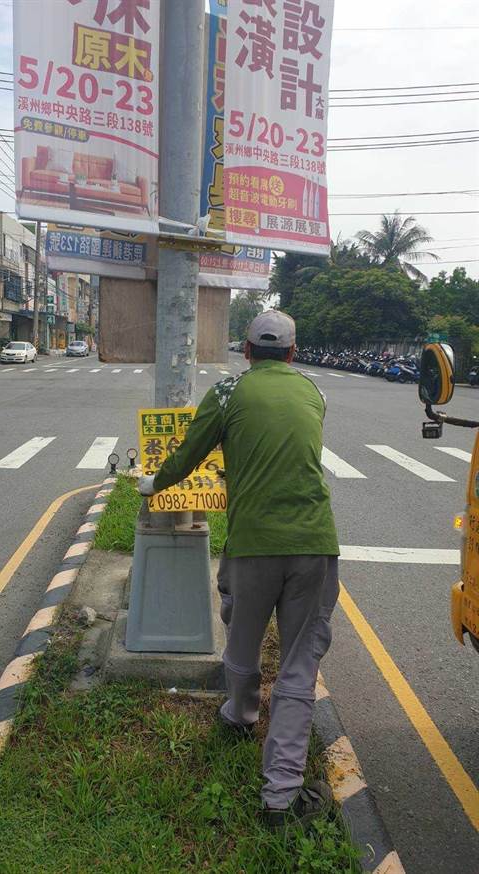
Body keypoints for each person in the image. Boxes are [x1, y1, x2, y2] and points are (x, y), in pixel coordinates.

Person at [138, 310, 340, 829]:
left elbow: (187, 455)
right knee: (298, 665)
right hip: (314, 544)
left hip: (252, 547)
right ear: (293, 354)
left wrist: (153, 484)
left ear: (246, 351)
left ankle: (239, 717)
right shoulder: (315, 393)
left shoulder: (227, 394)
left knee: (243, 640)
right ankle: (281, 796)